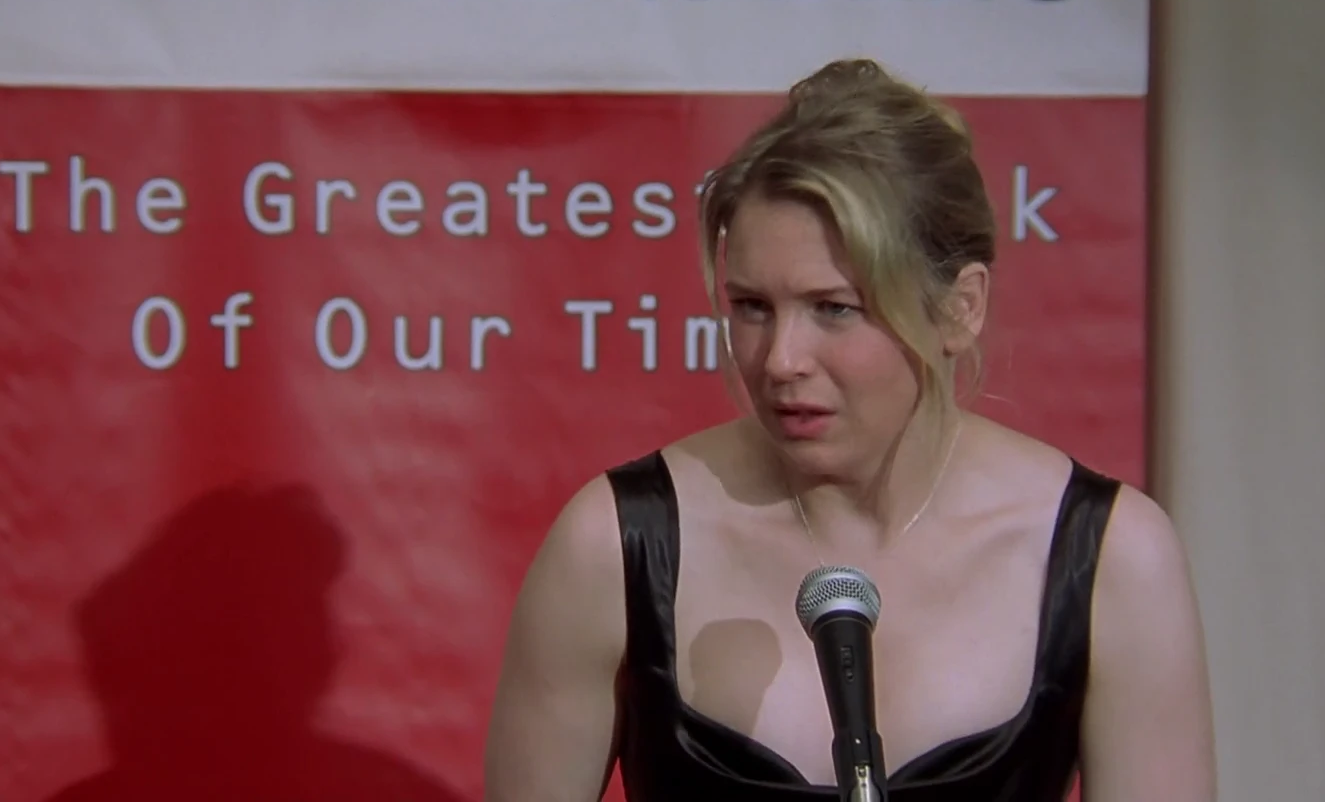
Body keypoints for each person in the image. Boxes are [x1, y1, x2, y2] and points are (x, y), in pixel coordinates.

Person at [483, 58, 1215, 801]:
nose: (781, 360)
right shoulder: (615, 546)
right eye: (752, 307)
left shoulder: (1109, 558)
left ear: (960, 308)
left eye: (834, 308)